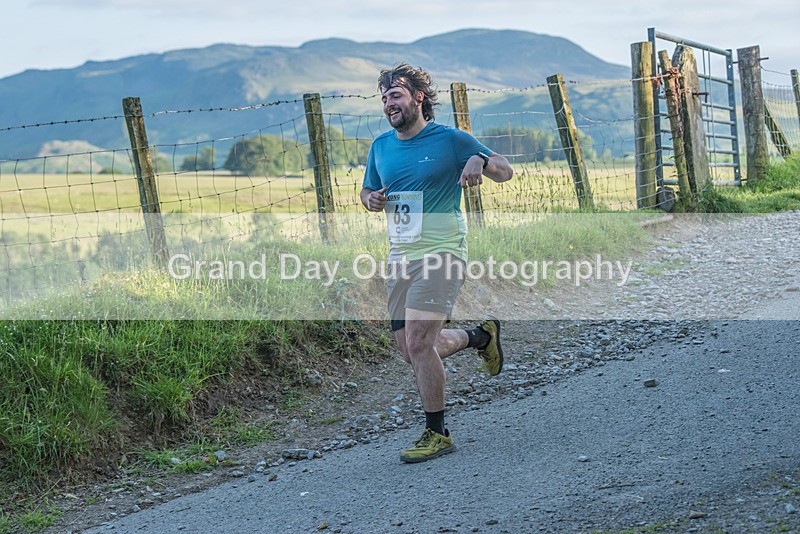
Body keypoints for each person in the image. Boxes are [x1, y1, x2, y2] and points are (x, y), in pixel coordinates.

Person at [359, 63, 514, 463]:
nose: (388, 104)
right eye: (384, 98)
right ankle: (481, 337)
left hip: (443, 252)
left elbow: (505, 170)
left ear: (418, 98)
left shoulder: (449, 139)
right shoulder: (380, 147)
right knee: (413, 350)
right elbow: (366, 191)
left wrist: (479, 159)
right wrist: (370, 200)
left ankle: (437, 432)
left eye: (395, 95)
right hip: (400, 258)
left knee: (417, 342)